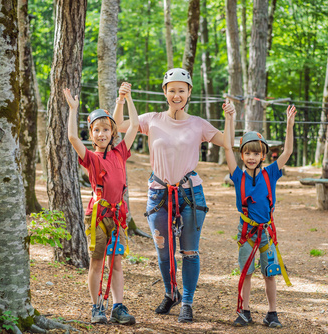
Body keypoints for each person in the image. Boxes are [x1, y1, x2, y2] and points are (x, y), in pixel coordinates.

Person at [113, 68, 229, 323]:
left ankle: (187, 301)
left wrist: (233, 122)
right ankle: (171, 293)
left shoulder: (198, 124)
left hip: (190, 194)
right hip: (159, 194)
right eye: (172, 90)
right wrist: (121, 100)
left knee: (189, 251)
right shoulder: (151, 119)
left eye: (182, 90)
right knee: (163, 251)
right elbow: (120, 126)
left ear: (189, 93)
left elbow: (227, 142)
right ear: (165, 92)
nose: (177, 95)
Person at [63, 82, 138, 325]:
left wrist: (126, 100)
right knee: (96, 262)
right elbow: (73, 137)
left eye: (106, 130)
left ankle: (117, 306)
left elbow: (134, 125)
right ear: (92, 133)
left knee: (116, 262)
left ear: (112, 133)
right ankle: (96, 307)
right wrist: (73, 109)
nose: (102, 134)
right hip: (97, 216)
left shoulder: (120, 153)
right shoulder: (91, 158)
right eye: (97, 130)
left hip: (118, 218)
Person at [223, 101, 296, 328]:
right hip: (246, 231)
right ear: (242, 155)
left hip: (266, 232)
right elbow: (227, 147)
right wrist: (230, 118)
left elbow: (288, 151)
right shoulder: (237, 175)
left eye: (256, 153)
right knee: (246, 272)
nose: (252, 157)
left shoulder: (271, 173)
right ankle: (244, 311)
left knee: (270, 272)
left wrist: (289, 124)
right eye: (247, 153)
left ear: (263, 155)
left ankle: (272, 313)